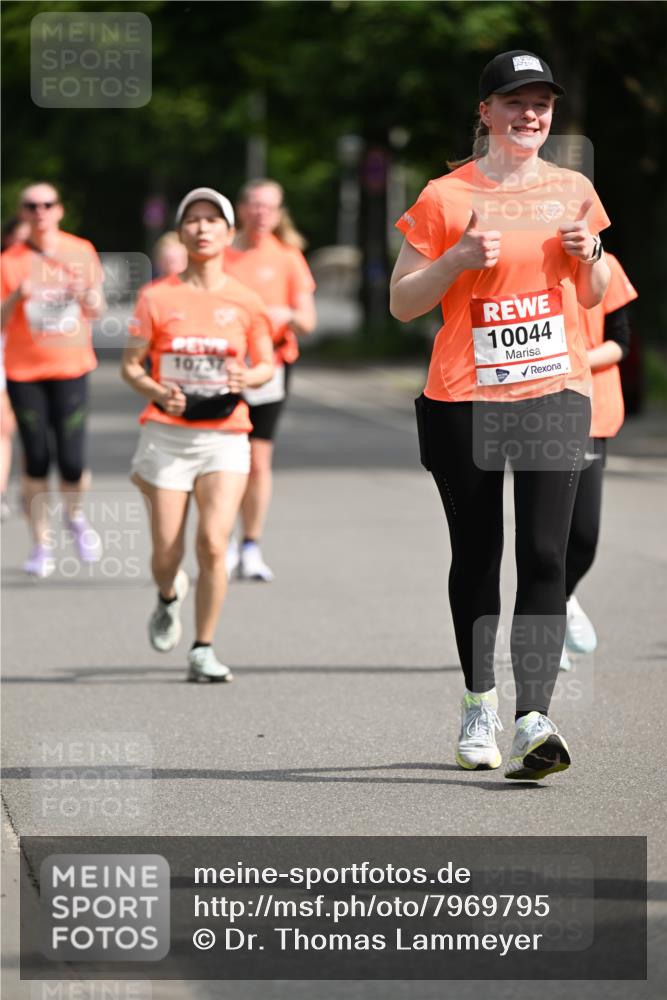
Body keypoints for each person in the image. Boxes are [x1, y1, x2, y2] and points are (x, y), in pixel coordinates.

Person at [390, 50, 611, 780]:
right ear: (484, 111)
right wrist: (454, 261)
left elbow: (591, 294)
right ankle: (478, 702)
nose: (530, 114)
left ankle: (533, 718)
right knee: (478, 553)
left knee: (545, 554)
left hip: (554, 389)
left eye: (541, 102)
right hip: (464, 397)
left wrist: (591, 255)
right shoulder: (444, 196)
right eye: (514, 101)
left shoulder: (572, 189)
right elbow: (402, 302)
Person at [121, 187, 274, 681]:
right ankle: (168, 595)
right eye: (193, 219)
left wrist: (246, 378)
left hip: (225, 436)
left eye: (213, 220)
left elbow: (266, 364)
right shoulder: (157, 296)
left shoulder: (246, 300)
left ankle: (203, 648)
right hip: (167, 435)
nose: (203, 228)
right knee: (167, 553)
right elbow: (130, 366)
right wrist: (156, 389)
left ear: (229, 233)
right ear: (182, 231)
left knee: (212, 542)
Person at [0, 183, 105, 574]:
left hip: (71, 367)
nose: (40, 211)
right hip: (25, 372)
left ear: (59, 210)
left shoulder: (80, 251)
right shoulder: (10, 260)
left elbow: (97, 309)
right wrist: (17, 296)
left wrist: (85, 296)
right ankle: (40, 545)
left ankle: (74, 516)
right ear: (23, 212)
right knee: (37, 460)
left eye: (47, 204)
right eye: (32, 205)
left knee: (73, 460)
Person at [224, 178, 316, 581]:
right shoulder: (221, 253)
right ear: (242, 208)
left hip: (270, 366)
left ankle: (250, 545)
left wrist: (285, 315)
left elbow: (308, 321)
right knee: (224, 459)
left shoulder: (288, 257)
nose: (261, 213)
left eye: (270, 207)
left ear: (279, 214)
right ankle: (222, 541)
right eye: (255, 205)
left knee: (258, 459)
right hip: (222, 368)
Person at [560, 253, 638, 670]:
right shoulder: (526, 261)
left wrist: (572, 361)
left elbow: (620, 342)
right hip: (539, 412)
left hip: (591, 409)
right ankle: (546, 627)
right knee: (545, 533)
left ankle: (562, 597)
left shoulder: (606, 264)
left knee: (584, 536)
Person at [0, 217, 30, 519]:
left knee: (30, 427)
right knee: (4, 428)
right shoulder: (4, 267)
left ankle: (29, 485)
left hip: (33, 362)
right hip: (4, 355)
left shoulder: (45, 269)